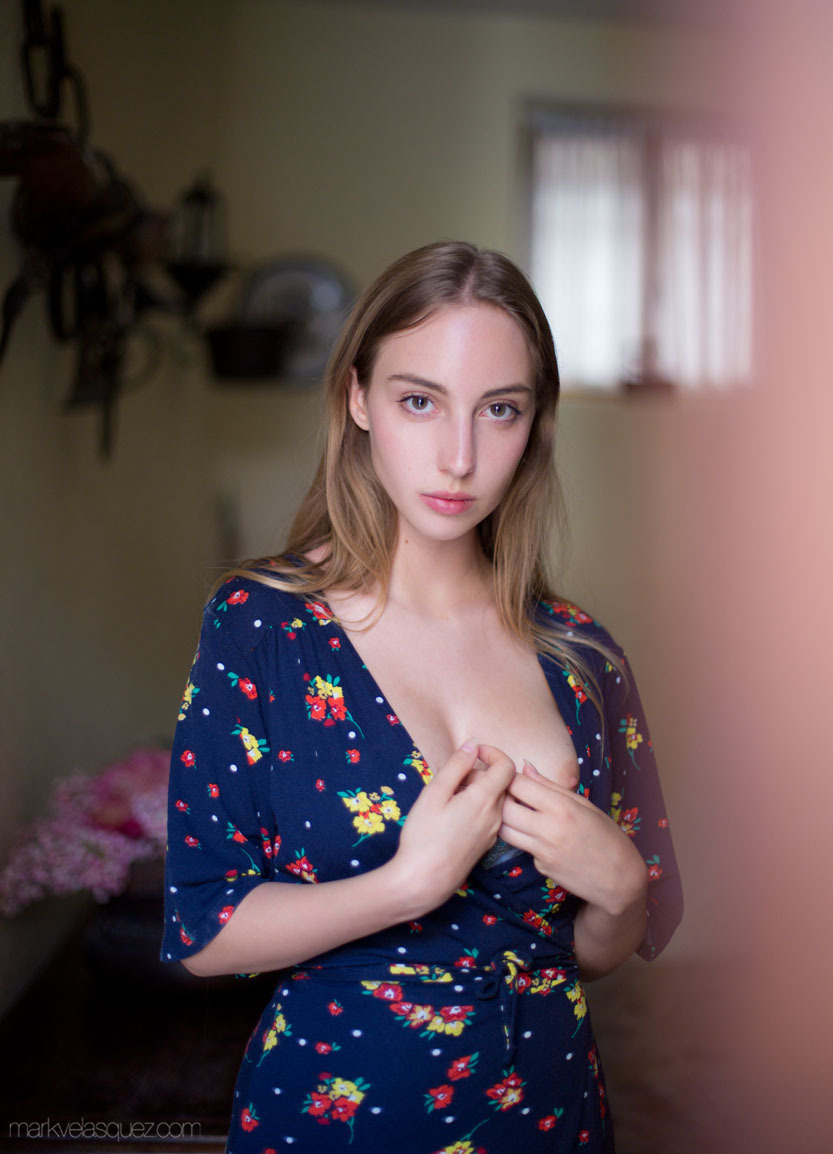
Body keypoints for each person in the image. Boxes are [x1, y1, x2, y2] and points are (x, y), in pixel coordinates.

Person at [161, 241, 682, 1153]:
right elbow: (204, 931)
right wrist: (407, 884)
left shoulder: (580, 654)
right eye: (419, 401)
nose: (459, 456)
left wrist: (617, 893)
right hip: (338, 1115)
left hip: (549, 1114)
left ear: (535, 423)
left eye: (500, 409)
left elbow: (587, 955)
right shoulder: (261, 625)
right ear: (358, 399)